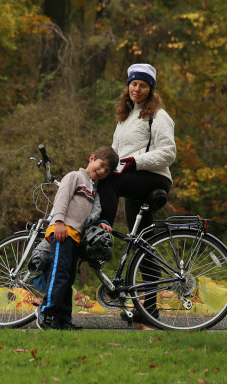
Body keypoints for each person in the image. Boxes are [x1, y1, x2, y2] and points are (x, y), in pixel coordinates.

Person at [97, 63, 176, 322]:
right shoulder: (125, 117)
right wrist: (100, 162)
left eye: (142, 85)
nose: (137, 89)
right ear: (128, 86)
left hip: (152, 178)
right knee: (144, 245)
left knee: (109, 183)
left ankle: (103, 224)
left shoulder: (158, 115)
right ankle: (149, 311)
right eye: (133, 84)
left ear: (150, 89)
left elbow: (169, 153)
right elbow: (115, 151)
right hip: (135, 178)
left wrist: (135, 162)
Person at [36, 146, 119, 330]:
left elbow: (91, 215)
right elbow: (62, 198)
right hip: (62, 231)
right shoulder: (75, 177)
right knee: (59, 274)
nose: (102, 171)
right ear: (92, 158)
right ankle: (46, 312)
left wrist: (101, 223)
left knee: (68, 277)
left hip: (76, 238)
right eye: (102, 164)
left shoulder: (92, 189)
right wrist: (58, 222)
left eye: (107, 171)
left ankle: (63, 319)